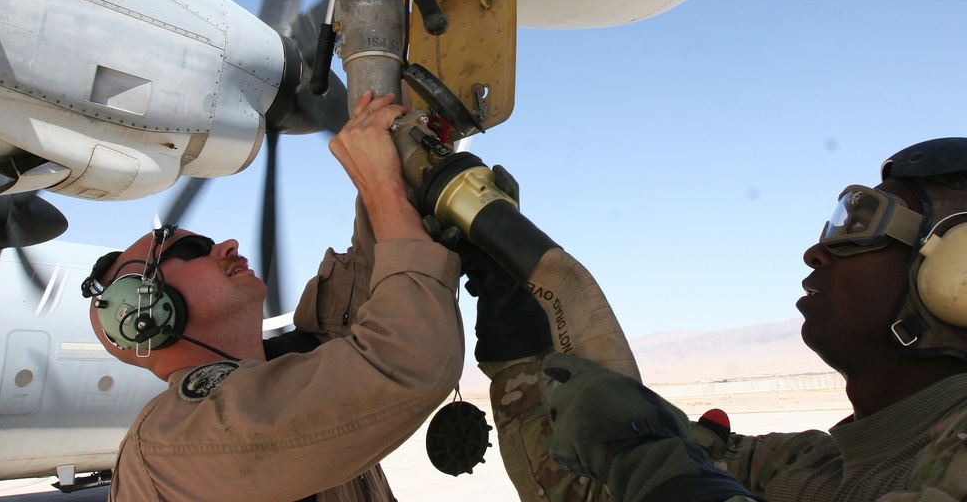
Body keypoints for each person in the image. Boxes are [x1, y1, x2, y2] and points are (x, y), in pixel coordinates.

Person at [532, 137, 967, 501]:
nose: (816, 253)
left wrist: (640, 455)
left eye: (859, 228)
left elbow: (658, 464)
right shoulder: (813, 466)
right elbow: (592, 466)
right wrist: (512, 318)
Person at [81, 91, 465, 501]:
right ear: (147, 313)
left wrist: (401, 144)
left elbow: (378, 281)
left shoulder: (298, 369)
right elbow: (409, 355)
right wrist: (380, 185)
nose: (227, 244)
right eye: (191, 251)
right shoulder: (172, 443)